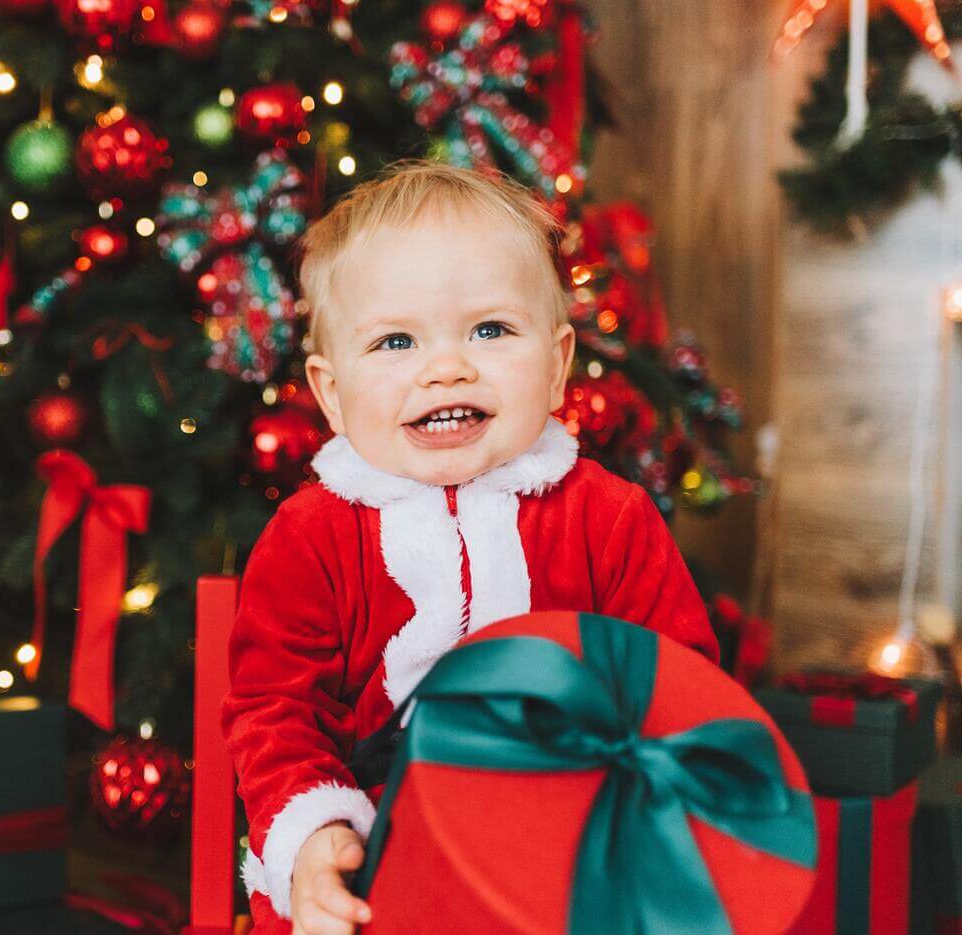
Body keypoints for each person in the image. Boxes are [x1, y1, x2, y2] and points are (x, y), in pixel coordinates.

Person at [221, 160, 718, 935]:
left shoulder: (608, 518)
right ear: (330, 392)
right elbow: (276, 714)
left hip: (570, 855)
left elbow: (678, 691)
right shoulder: (311, 535)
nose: (446, 366)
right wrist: (316, 837)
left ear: (556, 368)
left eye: (490, 330)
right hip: (378, 866)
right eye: (394, 341)